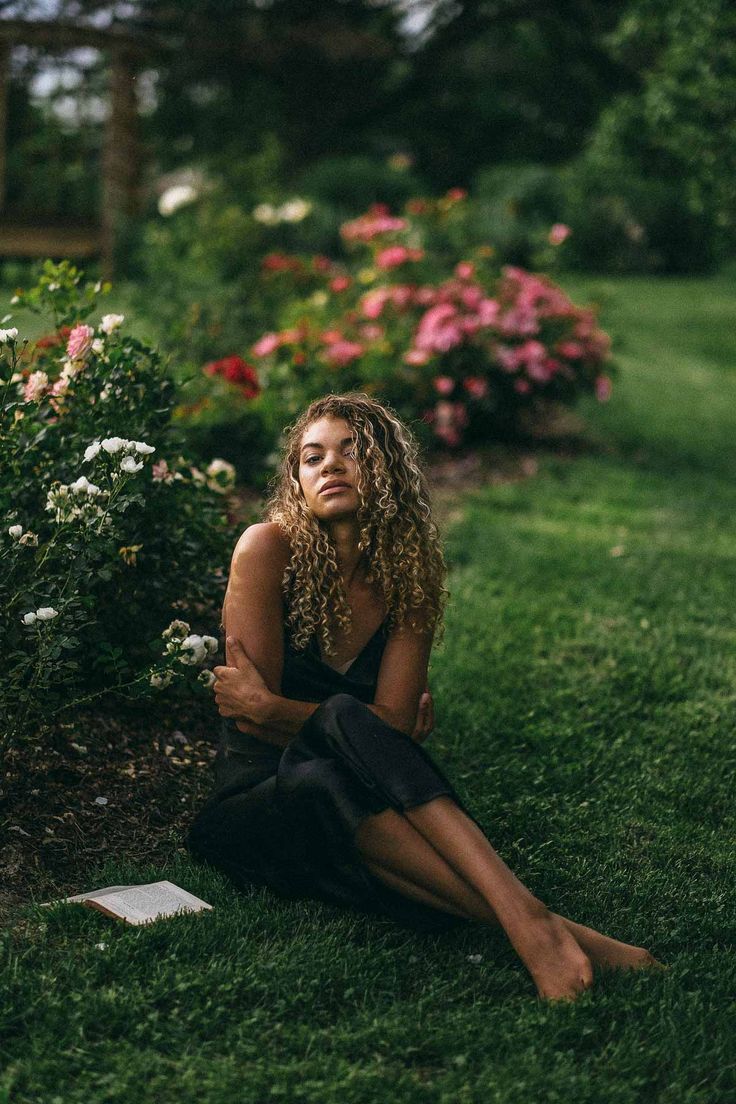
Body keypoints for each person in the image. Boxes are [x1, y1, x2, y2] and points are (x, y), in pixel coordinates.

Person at [185, 392, 664, 1001]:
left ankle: (534, 924)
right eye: (312, 458)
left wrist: (283, 711)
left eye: (351, 451)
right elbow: (258, 730)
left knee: (338, 757)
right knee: (340, 730)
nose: (329, 465)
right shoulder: (265, 549)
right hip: (254, 801)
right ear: (297, 483)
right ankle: (538, 924)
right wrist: (368, 734)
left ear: (385, 469)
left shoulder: (409, 575)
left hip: (347, 791)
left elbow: (278, 711)